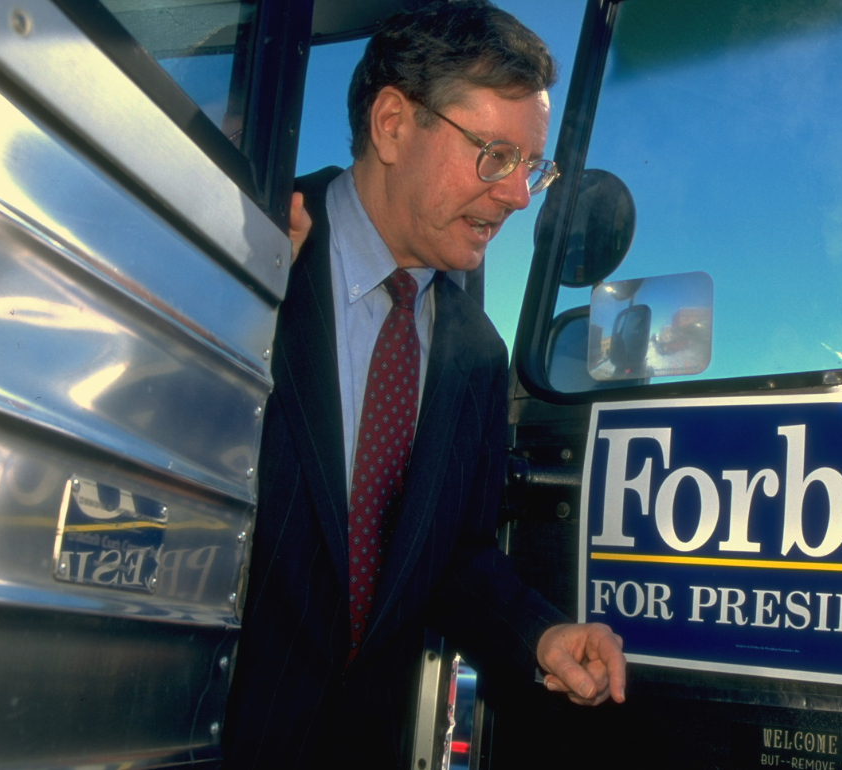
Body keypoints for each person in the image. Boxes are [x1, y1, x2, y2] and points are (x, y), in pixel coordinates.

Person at [222, 3, 625, 767]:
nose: (516, 197)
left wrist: (540, 635)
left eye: (531, 168)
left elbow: (449, 557)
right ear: (393, 125)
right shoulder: (253, 238)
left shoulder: (477, 354)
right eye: (495, 155)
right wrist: (231, 290)